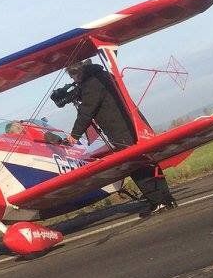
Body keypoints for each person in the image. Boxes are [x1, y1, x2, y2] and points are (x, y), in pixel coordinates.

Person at [65, 60, 177, 217]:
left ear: (78, 73)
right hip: (133, 124)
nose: (74, 81)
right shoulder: (103, 75)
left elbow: (86, 112)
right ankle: (167, 198)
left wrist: (74, 135)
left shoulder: (91, 84)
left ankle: (157, 201)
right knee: (149, 162)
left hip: (120, 130)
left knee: (136, 165)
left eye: (73, 77)